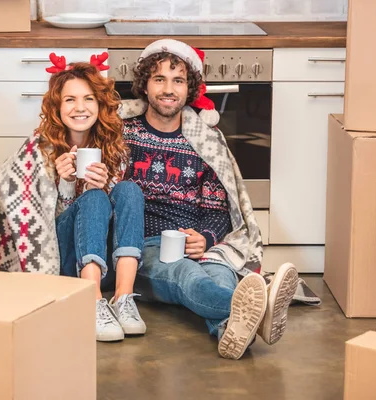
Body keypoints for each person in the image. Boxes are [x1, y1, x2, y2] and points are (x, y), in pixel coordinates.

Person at [119, 39, 300, 359]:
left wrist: (205, 238)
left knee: (219, 273)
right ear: (144, 86)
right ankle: (263, 311)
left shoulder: (206, 141)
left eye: (177, 80)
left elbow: (219, 207)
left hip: (196, 241)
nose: (168, 89)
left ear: (189, 89)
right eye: (159, 79)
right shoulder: (124, 133)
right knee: (185, 274)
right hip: (144, 246)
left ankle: (231, 329)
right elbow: (114, 197)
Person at [0, 54, 146, 342]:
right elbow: (33, 222)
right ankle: (90, 303)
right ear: (57, 107)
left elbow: (116, 212)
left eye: (88, 99)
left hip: (106, 262)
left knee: (128, 190)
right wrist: (62, 184)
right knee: (93, 200)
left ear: (100, 105)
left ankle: (123, 299)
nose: (80, 108)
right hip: (62, 263)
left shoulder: (115, 146)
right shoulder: (39, 150)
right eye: (70, 100)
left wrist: (105, 186)